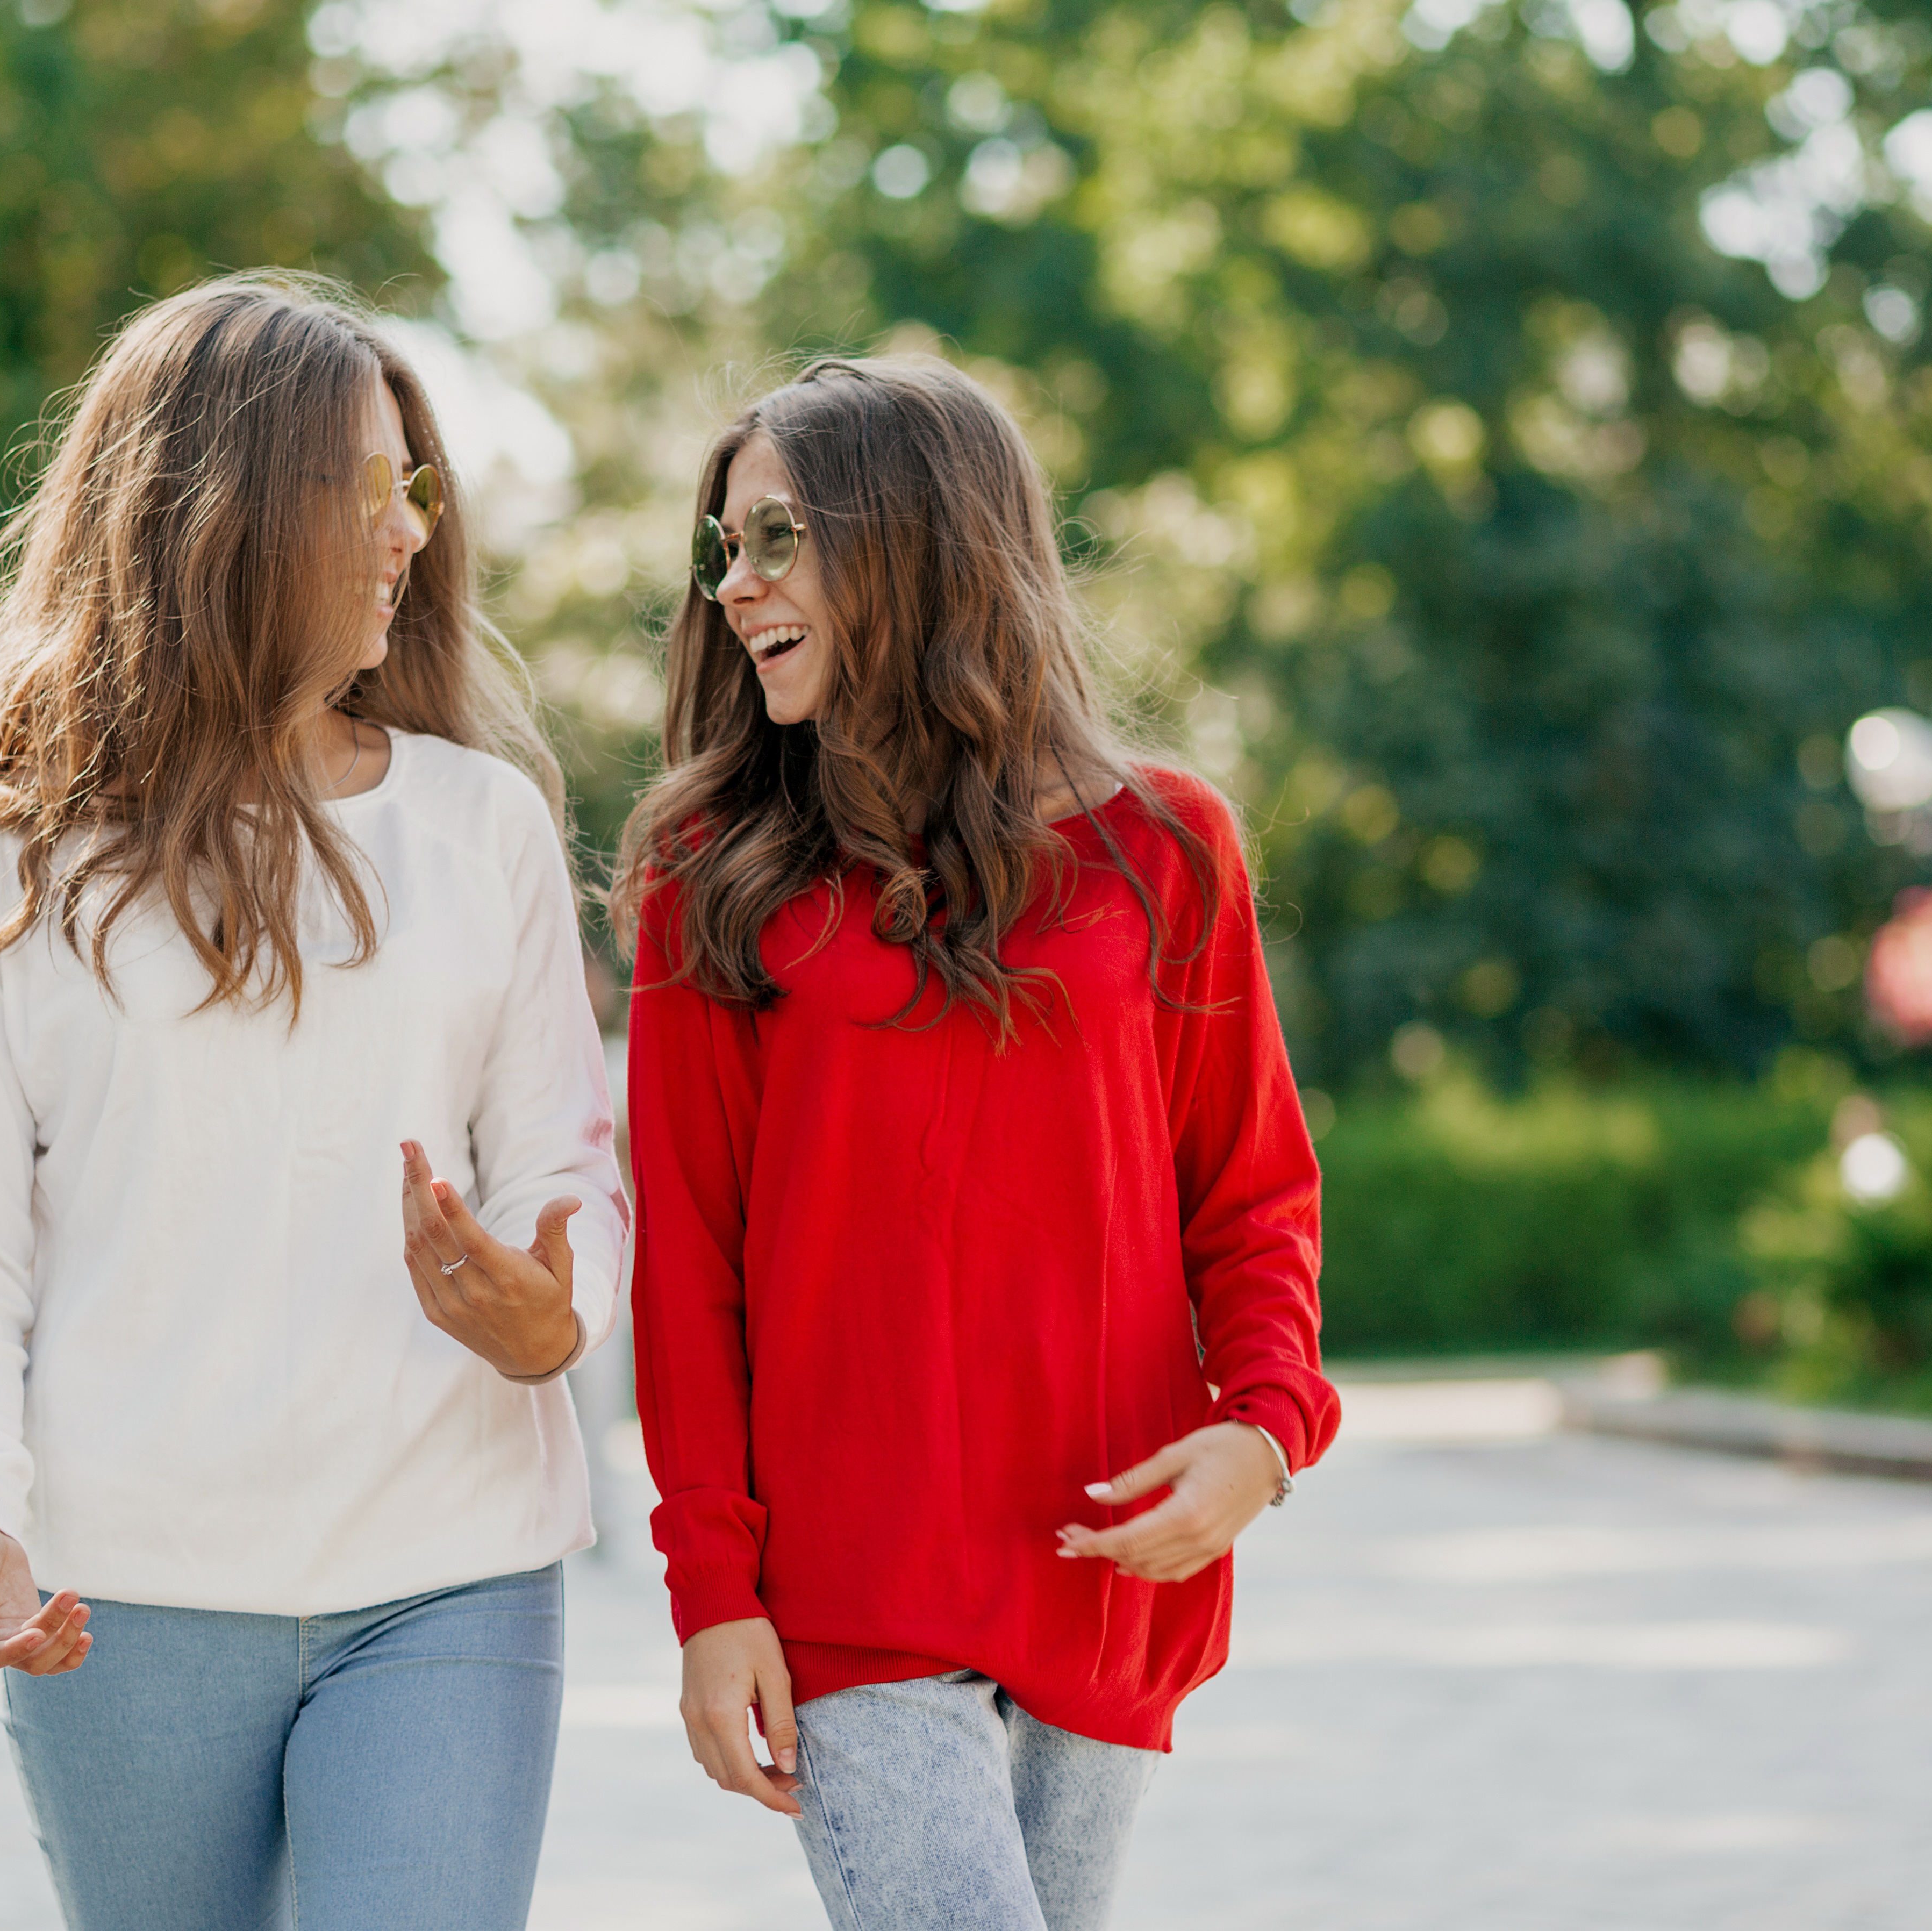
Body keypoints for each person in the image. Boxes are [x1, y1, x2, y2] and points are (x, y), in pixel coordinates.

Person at [0, 275, 628, 1931]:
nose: (411, 534)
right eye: (366, 488)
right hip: (119, 1594)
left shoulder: (485, 825)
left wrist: (549, 1321)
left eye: (415, 488)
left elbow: (565, 1168)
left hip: (450, 1573)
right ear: (218, 512)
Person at [615, 356, 1339, 1931]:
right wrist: (713, 1597)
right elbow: (689, 1268)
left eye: (779, 539)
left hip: (1110, 1565)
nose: (737, 587)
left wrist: (1265, 1434)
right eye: (723, 550)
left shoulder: (1167, 847)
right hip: (855, 1601)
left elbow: (1252, 1195)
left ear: (915, 543)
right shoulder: (710, 872)